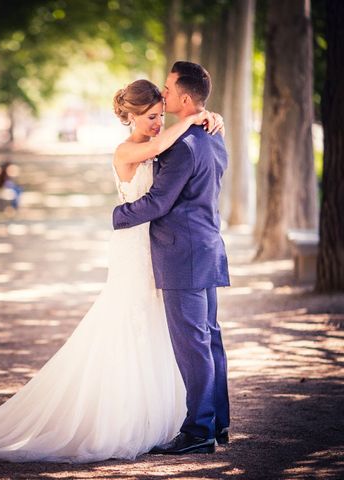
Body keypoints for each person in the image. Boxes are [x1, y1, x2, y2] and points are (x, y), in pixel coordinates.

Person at [0, 78, 225, 463]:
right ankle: (122, 417)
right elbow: (161, 150)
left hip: (160, 248)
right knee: (128, 323)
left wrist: (205, 117)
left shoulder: (162, 142)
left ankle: (172, 415)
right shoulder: (128, 149)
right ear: (130, 117)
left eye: (161, 116)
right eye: (150, 117)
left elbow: (168, 154)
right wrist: (198, 118)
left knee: (163, 331)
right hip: (133, 246)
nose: (157, 123)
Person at [113, 62, 231, 455]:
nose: (162, 95)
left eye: (166, 89)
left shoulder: (182, 145)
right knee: (209, 338)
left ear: (183, 96)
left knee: (194, 344)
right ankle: (218, 422)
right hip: (208, 248)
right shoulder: (213, 136)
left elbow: (159, 202)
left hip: (183, 255)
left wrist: (119, 215)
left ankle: (198, 431)